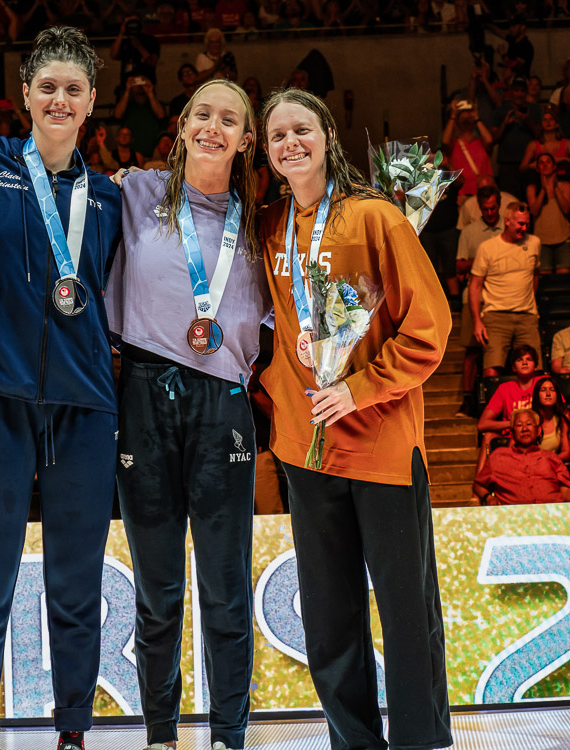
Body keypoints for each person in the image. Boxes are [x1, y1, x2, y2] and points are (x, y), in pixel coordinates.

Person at [0, 26, 122, 750]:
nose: (59, 99)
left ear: (92, 102)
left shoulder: (106, 196)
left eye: (73, 88)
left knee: (76, 587)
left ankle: (73, 730)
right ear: (24, 96)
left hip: (83, 409)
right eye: (47, 86)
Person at [258, 88, 453, 750]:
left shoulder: (376, 217)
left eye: (302, 130)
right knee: (330, 619)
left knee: (405, 614)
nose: (291, 142)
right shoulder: (267, 225)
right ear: (266, 150)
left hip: (381, 444)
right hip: (306, 451)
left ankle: (421, 743)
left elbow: (430, 327)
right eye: (278, 134)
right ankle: (353, 742)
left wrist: (363, 387)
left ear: (327, 136)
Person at [105, 79, 269, 750]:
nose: (213, 126)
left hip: (224, 402)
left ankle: (230, 736)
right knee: (157, 589)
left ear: (245, 139)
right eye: (203, 113)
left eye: (229, 119)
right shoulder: (134, 191)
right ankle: (161, 737)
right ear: (181, 124)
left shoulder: (263, 218)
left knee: (227, 589)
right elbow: (51, 205)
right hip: (142, 392)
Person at [469, 201, 541, 378]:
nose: (524, 228)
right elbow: (475, 285)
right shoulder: (488, 248)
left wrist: (529, 298)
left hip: (526, 315)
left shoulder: (534, 243)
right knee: (492, 368)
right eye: (520, 223)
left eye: (527, 223)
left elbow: (535, 275)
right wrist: (477, 320)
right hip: (496, 315)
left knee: (535, 368)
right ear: (507, 221)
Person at [454, 185, 503, 417]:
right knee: (472, 351)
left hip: (500, 298)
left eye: (493, 208)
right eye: (486, 209)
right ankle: (467, 400)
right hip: (472, 297)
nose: (490, 213)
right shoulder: (470, 231)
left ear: (499, 206)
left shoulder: (509, 228)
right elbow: (459, 265)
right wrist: (482, 259)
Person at [473, 408, 570, 504]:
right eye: (519, 425)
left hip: (551, 515)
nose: (524, 429)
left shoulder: (551, 457)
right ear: (512, 432)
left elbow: (565, 492)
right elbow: (478, 485)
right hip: (515, 516)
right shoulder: (498, 457)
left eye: (528, 424)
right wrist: (488, 497)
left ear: (538, 430)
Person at [475, 344, 542, 471]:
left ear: (536, 366)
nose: (524, 363)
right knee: (488, 436)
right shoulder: (505, 388)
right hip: (511, 437)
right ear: (513, 368)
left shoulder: (543, 384)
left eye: (528, 359)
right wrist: (512, 423)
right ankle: (479, 484)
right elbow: (482, 425)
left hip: (538, 434)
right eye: (519, 360)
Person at [442, 98, 493, 204]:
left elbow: (489, 141)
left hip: (484, 194)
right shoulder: (454, 144)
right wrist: (453, 115)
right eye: (462, 115)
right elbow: (445, 142)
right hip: (462, 196)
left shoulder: (481, 142)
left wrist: (476, 117)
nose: (466, 117)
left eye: (468, 114)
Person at [526, 153, 570, 274]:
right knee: (544, 279)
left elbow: (566, 209)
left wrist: (555, 188)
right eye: (541, 162)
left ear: (554, 166)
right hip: (542, 241)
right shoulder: (532, 188)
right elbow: (534, 211)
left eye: (548, 161)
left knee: (564, 279)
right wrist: (543, 190)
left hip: (563, 239)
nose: (545, 165)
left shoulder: (565, 185)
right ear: (537, 168)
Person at [531, 376, 570, 461]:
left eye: (552, 390)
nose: (548, 393)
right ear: (537, 395)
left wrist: (549, 461)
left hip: (553, 465)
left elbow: (566, 452)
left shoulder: (562, 417)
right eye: (543, 390)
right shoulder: (529, 417)